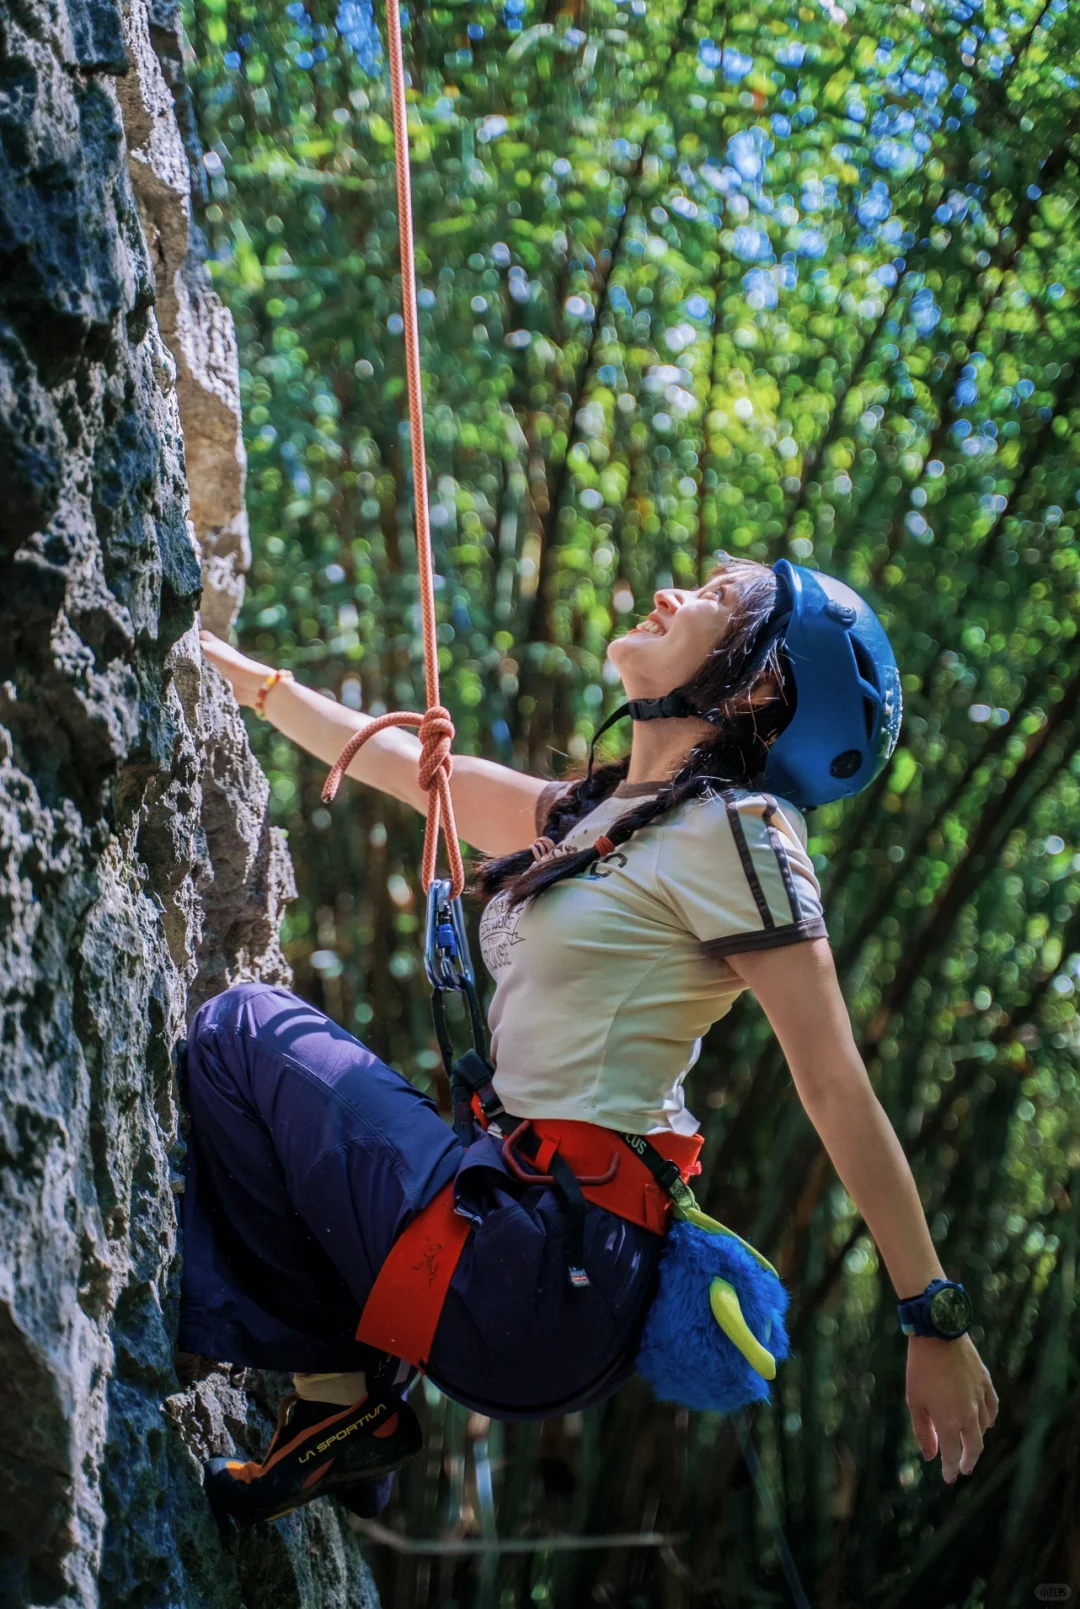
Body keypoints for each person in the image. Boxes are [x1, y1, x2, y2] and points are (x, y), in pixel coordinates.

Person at [185, 553, 997, 1524]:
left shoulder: (744, 830)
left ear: (763, 682)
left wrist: (930, 1313)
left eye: (715, 600)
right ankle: (343, 1413)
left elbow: (832, 1084)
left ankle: (343, 1390)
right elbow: (410, 771)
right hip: (519, 1232)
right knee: (281, 1072)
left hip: (542, 1274)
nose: (672, 594)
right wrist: (230, 674)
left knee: (243, 1029)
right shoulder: (598, 817)